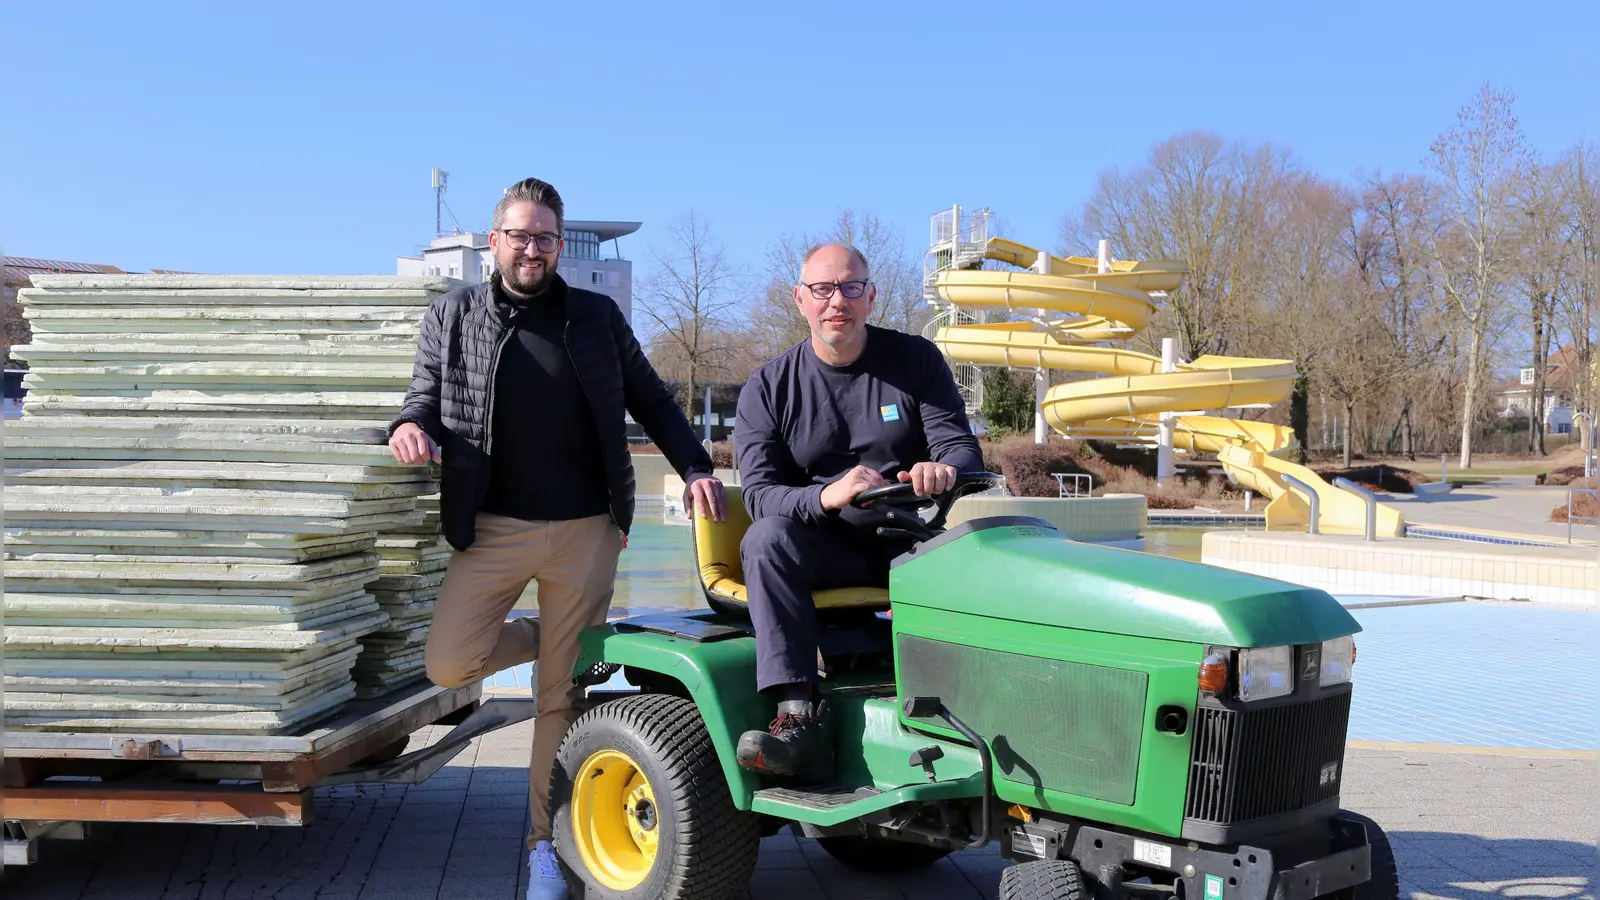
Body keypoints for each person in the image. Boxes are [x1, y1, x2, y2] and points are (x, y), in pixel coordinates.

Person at [387, 177, 724, 900]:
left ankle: (545, 848)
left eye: (545, 237)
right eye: (520, 235)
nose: (532, 248)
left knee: (555, 702)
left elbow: (653, 398)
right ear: (495, 239)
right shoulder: (454, 315)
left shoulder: (596, 317)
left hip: (586, 529)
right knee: (451, 663)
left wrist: (695, 463)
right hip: (492, 526)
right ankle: (561, 637)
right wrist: (408, 427)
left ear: (557, 243)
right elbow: (421, 395)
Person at [730, 242, 983, 782]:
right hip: (821, 547)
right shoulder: (768, 388)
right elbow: (758, 493)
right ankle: (795, 717)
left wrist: (945, 471)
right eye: (822, 289)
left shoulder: (915, 361)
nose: (835, 301)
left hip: (907, 540)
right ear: (801, 300)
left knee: (986, 556)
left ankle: (978, 710)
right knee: (765, 540)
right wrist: (824, 497)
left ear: (870, 297)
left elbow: (960, 446)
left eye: (849, 288)